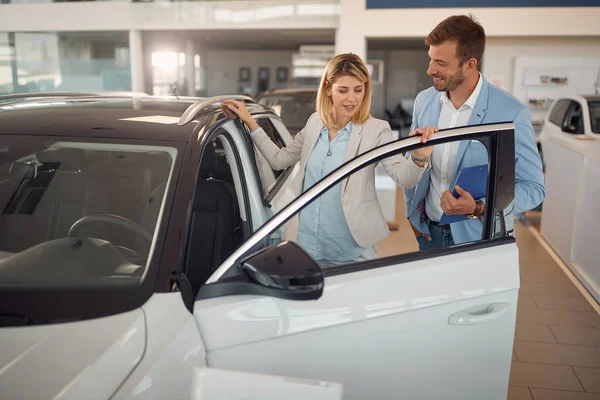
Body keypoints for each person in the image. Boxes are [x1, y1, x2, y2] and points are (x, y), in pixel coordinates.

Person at [221, 53, 437, 265]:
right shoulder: (315, 122)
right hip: (310, 244)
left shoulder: (377, 129)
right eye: (343, 90)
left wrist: (419, 157)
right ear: (328, 90)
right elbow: (279, 160)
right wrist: (250, 121)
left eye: (358, 90)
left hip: (353, 248)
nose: (352, 98)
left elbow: (403, 178)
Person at [405, 14, 546, 250]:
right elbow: (412, 162)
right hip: (429, 235)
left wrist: (478, 208)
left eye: (441, 63)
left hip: (479, 238)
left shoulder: (511, 113)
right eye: (431, 59)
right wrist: (413, 215)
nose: (430, 70)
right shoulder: (424, 102)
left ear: (470, 64)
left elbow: (533, 188)